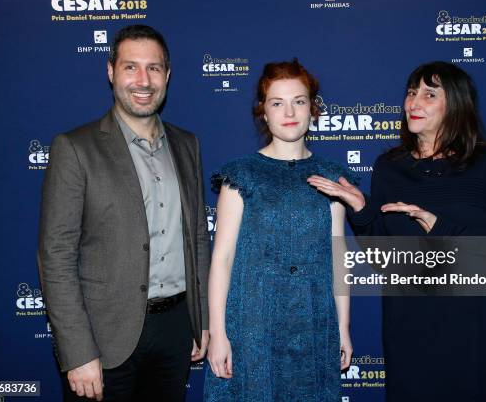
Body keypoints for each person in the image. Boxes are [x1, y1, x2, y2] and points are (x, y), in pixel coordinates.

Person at [308, 61, 486, 401]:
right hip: (409, 328)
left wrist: (438, 225)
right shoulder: (390, 167)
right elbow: (383, 259)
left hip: (473, 330)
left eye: (429, 94)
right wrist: (361, 209)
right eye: (411, 93)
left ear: (455, 104)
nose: (413, 103)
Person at [38, 24, 210, 402]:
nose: (143, 80)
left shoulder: (187, 144)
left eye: (154, 68)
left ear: (168, 75)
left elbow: (197, 237)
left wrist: (203, 320)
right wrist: (78, 352)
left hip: (176, 330)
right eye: (131, 67)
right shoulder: (75, 148)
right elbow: (57, 257)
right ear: (111, 71)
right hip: (103, 338)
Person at [203, 59, 353, 401]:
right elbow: (223, 259)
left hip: (314, 322)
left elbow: (338, 257)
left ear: (313, 109)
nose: (290, 111)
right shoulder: (241, 174)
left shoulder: (332, 176)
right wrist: (219, 334)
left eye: (299, 101)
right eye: (277, 102)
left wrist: (342, 328)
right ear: (263, 112)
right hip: (251, 323)